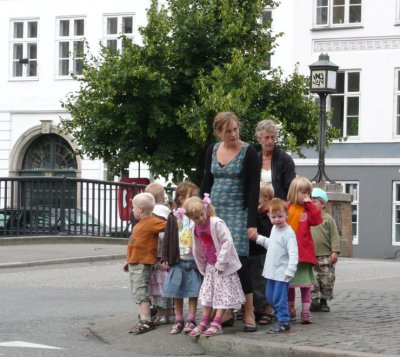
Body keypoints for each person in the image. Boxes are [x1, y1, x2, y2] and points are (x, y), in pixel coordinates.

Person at [201, 111, 260, 332]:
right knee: (217, 261)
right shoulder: (213, 150)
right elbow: (207, 179)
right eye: (228, 131)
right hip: (216, 211)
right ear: (219, 132)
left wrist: (251, 222)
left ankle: (249, 310)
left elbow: (254, 188)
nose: (233, 134)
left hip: (239, 211)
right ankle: (224, 310)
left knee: (239, 260)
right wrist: (202, 210)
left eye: (235, 129)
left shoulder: (249, 151)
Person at [183, 195, 245, 337]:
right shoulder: (195, 228)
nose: (200, 219)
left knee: (222, 294)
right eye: (196, 218)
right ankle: (204, 321)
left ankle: (217, 322)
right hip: (210, 266)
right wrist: (202, 263)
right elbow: (198, 246)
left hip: (223, 266)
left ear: (206, 209)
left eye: (201, 215)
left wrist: (221, 262)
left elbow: (227, 242)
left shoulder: (216, 223)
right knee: (209, 294)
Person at [160, 181, 202, 335]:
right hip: (177, 261)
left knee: (193, 291)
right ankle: (179, 319)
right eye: (194, 196)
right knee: (176, 292)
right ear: (182, 198)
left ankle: (191, 319)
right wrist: (165, 257)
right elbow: (167, 238)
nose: (197, 199)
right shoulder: (173, 216)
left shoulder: (197, 215)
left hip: (193, 261)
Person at [251, 198, 298, 333]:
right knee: (270, 298)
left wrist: (290, 270)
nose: (277, 220)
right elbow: (271, 244)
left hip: (282, 273)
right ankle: (280, 317)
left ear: (286, 215)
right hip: (271, 272)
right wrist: (258, 238)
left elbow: (294, 253)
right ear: (269, 216)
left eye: (280, 216)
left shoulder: (288, 233)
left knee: (279, 298)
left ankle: (283, 321)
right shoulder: (275, 229)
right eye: (274, 217)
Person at [123, 192, 167, 335]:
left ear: (140, 208)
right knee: (137, 291)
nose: (132, 210)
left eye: (133, 207)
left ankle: (146, 320)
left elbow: (168, 225)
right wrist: (128, 261)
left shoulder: (151, 221)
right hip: (135, 262)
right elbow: (133, 245)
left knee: (141, 291)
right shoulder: (140, 224)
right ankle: (144, 316)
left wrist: (178, 218)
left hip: (142, 263)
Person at [286, 177, 322, 324]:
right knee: (289, 285)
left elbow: (316, 220)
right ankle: (290, 309)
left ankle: (306, 311)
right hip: (288, 254)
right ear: (294, 193)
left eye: (308, 192)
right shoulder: (287, 208)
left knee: (305, 285)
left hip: (304, 254)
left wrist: (310, 205)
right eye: (303, 192)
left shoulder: (308, 209)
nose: (306, 195)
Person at [144, 183, 174, 324]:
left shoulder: (154, 212)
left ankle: (161, 312)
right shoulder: (167, 211)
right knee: (166, 283)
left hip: (157, 254)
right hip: (166, 254)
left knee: (159, 284)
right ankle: (169, 312)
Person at [310, 187, 340, 312]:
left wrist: (334, 251)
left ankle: (324, 300)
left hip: (326, 256)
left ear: (323, 204)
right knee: (313, 280)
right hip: (310, 256)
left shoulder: (328, 219)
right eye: (310, 200)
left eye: (315, 201)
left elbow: (334, 236)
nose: (312, 203)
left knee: (326, 279)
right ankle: (314, 300)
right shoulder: (307, 217)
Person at [250, 181, 274, 325]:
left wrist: (256, 215)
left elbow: (266, 231)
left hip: (262, 253)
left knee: (262, 283)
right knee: (254, 282)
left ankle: (267, 309)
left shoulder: (269, 215)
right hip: (253, 252)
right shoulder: (257, 213)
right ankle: (257, 308)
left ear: (265, 197)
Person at [255, 119, 296, 199]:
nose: (270, 141)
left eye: (273, 137)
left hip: (279, 207)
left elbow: (291, 188)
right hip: (258, 207)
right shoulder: (254, 160)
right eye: (267, 137)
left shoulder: (285, 159)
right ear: (259, 139)